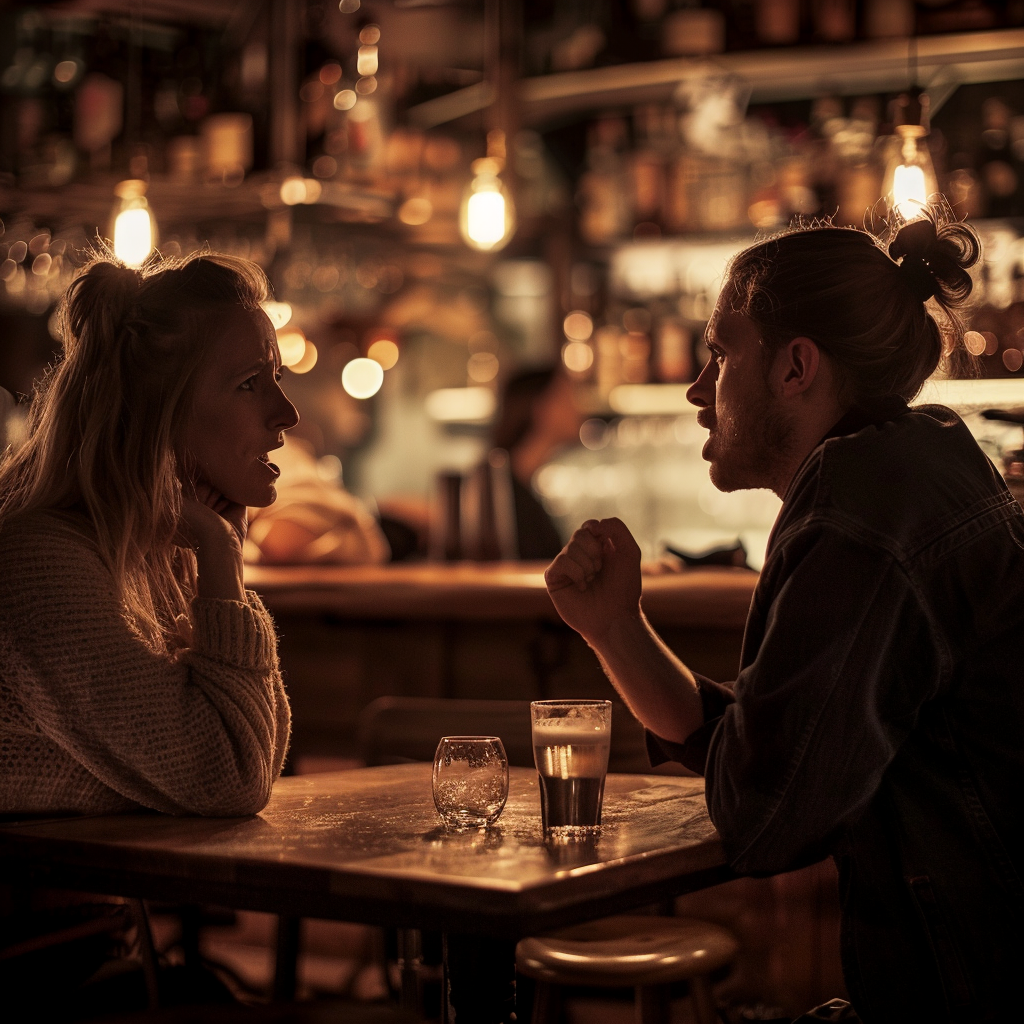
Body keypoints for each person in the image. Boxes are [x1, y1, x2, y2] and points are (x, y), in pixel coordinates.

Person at [544, 209, 1024, 1022]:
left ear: (797, 365)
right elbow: (778, 752)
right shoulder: (911, 462)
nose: (699, 388)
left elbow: (765, 817)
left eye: (721, 352)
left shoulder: (862, 508)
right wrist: (614, 629)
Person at [0, 250, 297, 818]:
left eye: (277, 380)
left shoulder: (153, 552)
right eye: (249, 384)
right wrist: (219, 553)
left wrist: (219, 555)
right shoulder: (40, 565)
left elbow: (255, 757)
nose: (287, 413)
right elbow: (231, 780)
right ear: (154, 411)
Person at [491, 366, 583, 559]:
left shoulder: (515, 483)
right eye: (567, 397)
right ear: (541, 408)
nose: (578, 408)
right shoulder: (501, 494)